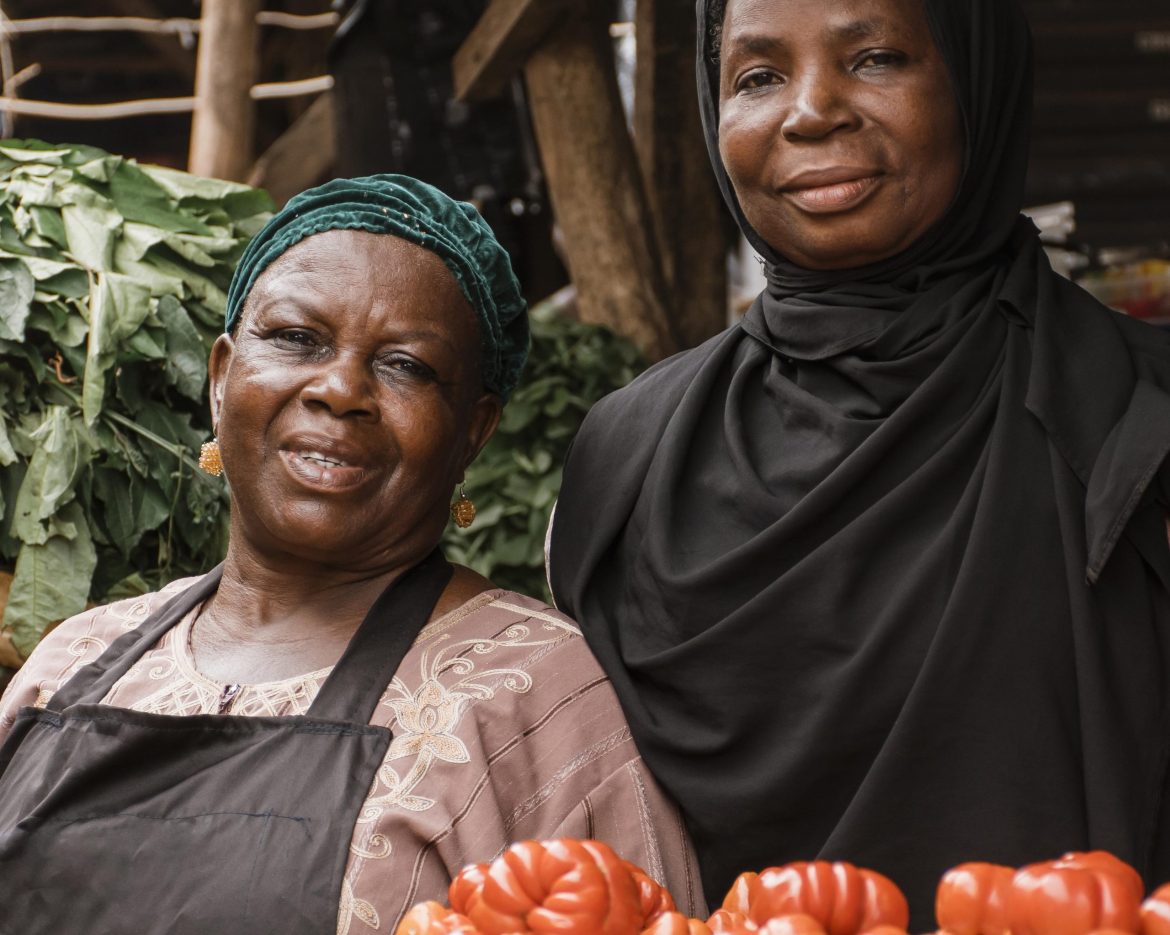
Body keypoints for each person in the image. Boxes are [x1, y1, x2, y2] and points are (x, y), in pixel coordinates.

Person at [548, 0, 1170, 927]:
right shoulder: (628, 457)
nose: (811, 112)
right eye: (759, 76)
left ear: (978, 80)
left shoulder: (1139, 418)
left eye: (875, 57)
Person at [0, 176, 700, 934]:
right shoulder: (74, 659)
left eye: (406, 365)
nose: (340, 389)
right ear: (221, 378)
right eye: (296, 338)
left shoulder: (537, 695)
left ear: (472, 432)